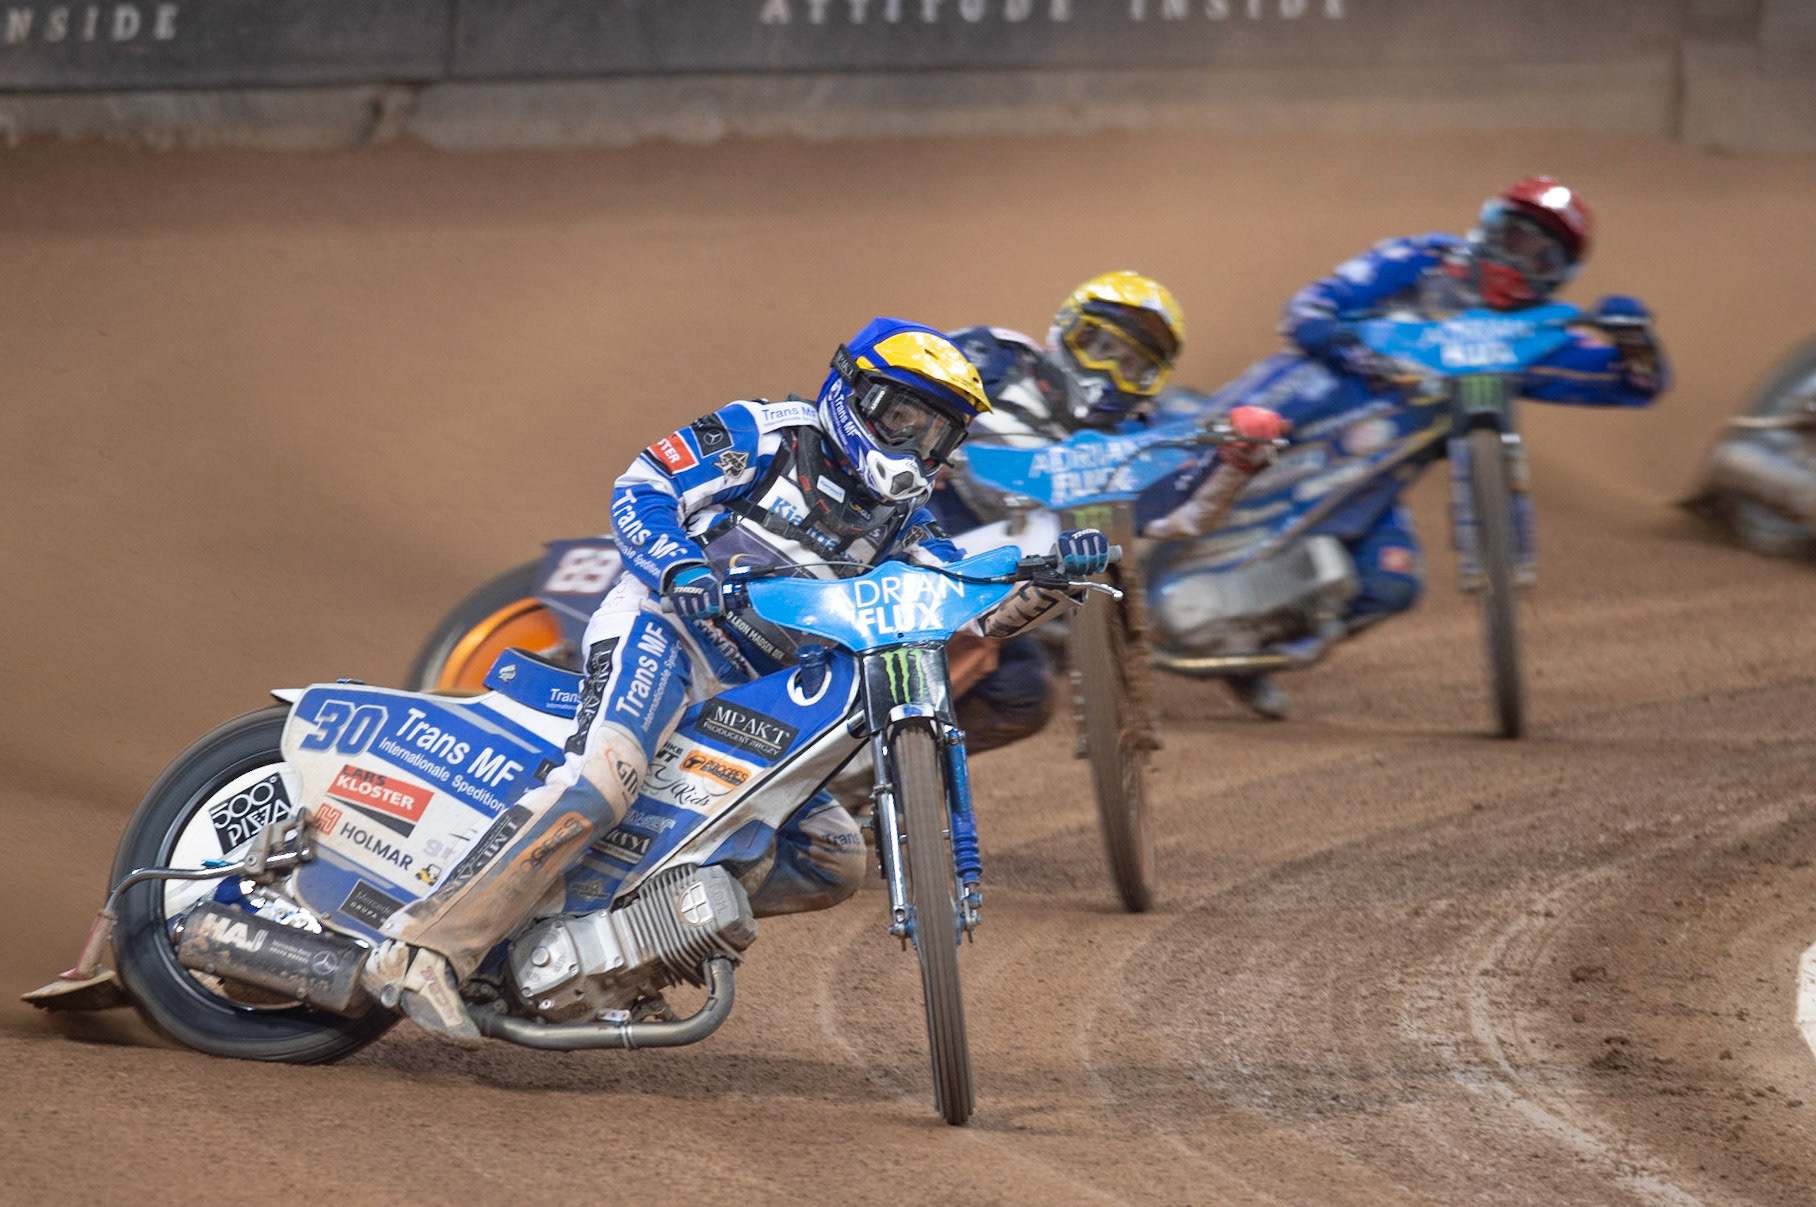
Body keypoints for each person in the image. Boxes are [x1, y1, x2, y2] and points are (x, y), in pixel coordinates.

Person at [360, 317, 1117, 1046]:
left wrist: (1049, 582)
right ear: (854, 395)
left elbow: (966, 607)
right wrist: (680, 565)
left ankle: (620, 948)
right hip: (670, 632)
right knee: (603, 777)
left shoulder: (905, 518)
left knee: (830, 855)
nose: (914, 443)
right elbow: (644, 484)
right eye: (904, 416)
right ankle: (421, 949)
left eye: (934, 432)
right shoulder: (769, 431)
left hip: (756, 693)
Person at [1208, 176, 1670, 719]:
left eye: (1540, 257)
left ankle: (1252, 655)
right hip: (1303, 412)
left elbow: (1636, 384)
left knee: (1390, 581)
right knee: (1207, 457)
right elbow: (1308, 306)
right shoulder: (1423, 259)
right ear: (1488, 226)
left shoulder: (1532, 336)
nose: (1517, 264)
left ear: (1560, 276)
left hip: (1369, 479)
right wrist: (1343, 343)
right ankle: (1089, 583)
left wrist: (1634, 337)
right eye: (1512, 240)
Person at [931, 271, 1284, 751]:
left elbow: (1177, 517)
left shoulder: (1137, 436)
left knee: (1021, 695)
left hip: (998, 575)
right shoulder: (992, 356)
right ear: (1065, 333)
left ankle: (879, 794)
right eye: (1100, 347)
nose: (1109, 373)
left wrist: (1236, 461)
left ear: (1150, 381)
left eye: (1132, 365)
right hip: (915, 530)